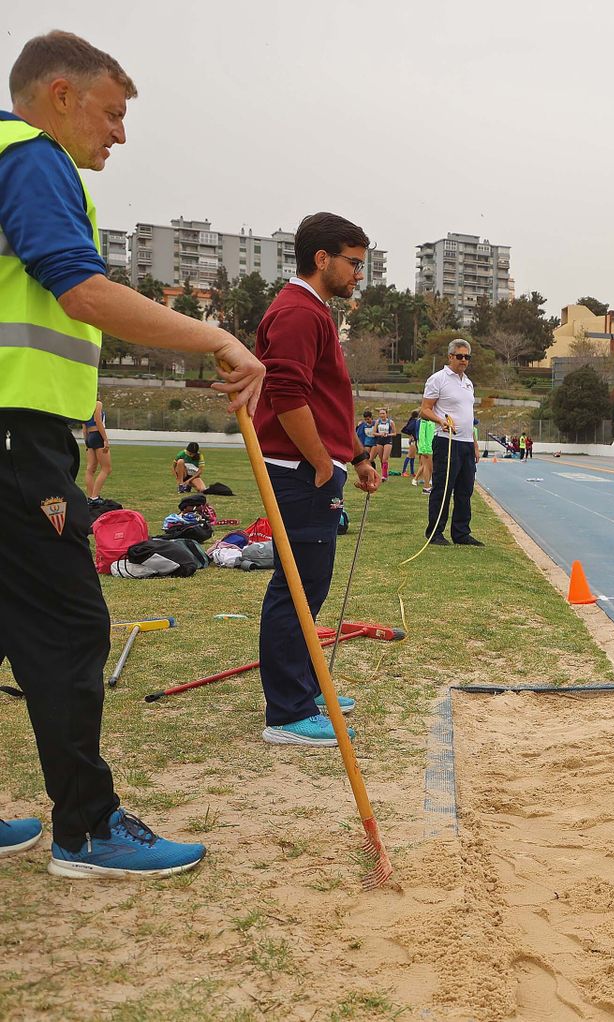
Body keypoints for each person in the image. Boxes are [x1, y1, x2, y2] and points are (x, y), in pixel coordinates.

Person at [0, 30, 265, 878]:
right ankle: (86, 830)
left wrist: (87, 413)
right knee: (69, 626)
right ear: (61, 95)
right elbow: (81, 286)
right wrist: (213, 335)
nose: (120, 134)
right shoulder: (32, 156)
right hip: (14, 441)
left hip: (26, 426)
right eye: (112, 114)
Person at [252, 212, 382, 746]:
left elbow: (328, 401)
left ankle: (306, 686)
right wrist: (322, 464)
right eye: (354, 263)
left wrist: (355, 456)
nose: (359, 275)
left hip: (316, 466)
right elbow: (288, 397)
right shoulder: (298, 313)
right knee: (298, 588)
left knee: (313, 585)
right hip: (298, 471)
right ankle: (287, 712)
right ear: (322, 258)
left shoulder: (316, 313)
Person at [420, 338, 481, 545]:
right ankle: (435, 532)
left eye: (467, 357)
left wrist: (474, 443)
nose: (464, 360)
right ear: (450, 357)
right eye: (460, 356)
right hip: (447, 441)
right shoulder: (438, 379)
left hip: (465, 442)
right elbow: (425, 409)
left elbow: (468, 416)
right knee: (443, 488)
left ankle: (461, 533)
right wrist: (440, 420)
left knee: (465, 489)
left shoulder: (468, 382)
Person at [82, 397, 110, 504]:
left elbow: (84, 427)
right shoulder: (97, 403)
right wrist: (105, 439)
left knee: (90, 469)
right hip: (97, 435)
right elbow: (98, 421)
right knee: (106, 468)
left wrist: (87, 443)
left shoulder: (84, 406)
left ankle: (90, 497)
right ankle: (94, 497)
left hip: (89, 437)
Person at [370, 406, 394, 480]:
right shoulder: (377, 422)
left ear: (386, 414)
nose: (382, 415)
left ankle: (384, 476)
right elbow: (373, 433)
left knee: (384, 459)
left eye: (383, 413)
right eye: (380, 414)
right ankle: (384, 474)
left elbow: (395, 433)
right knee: (381, 459)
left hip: (388, 441)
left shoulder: (390, 422)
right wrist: (380, 434)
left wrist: (387, 434)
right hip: (379, 441)